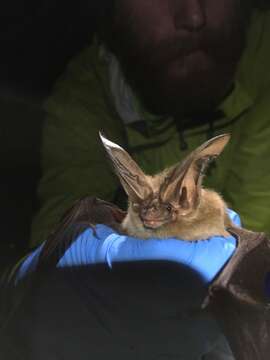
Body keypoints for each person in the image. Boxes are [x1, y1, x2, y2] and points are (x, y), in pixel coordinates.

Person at [30, 0, 270, 247]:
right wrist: (52, 260)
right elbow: (59, 219)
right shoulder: (86, 97)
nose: (194, 16)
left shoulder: (263, 59)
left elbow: (255, 220)